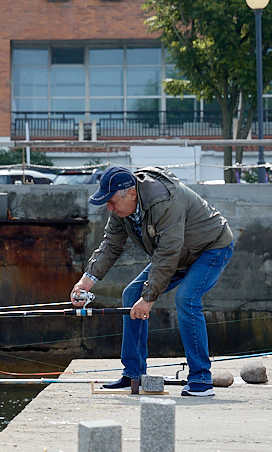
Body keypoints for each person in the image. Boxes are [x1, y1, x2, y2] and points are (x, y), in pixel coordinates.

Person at [71, 165, 235, 397]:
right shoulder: (121, 210)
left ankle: (201, 379)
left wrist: (148, 298)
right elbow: (111, 245)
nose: (109, 207)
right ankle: (133, 375)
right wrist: (86, 281)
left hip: (211, 248)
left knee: (186, 299)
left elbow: (167, 252)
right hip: (176, 255)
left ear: (132, 194)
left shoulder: (164, 200)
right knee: (131, 295)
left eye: (112, 202)